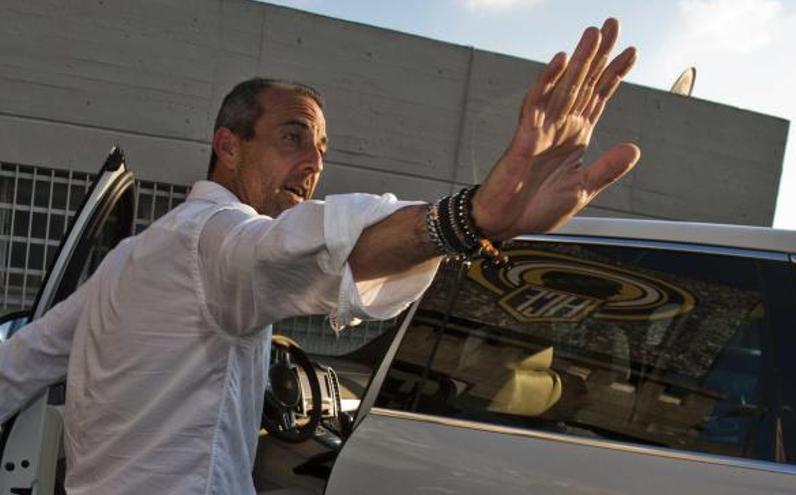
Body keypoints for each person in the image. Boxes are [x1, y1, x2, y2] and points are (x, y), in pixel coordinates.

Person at [0, 18, 640, 494]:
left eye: (322, 147)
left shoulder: (127, 261)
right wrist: (470, 220)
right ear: (228, 143)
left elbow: (19, 363)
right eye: (292, 136)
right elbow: (298, 249)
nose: (313, 162)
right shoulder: (216, 240)